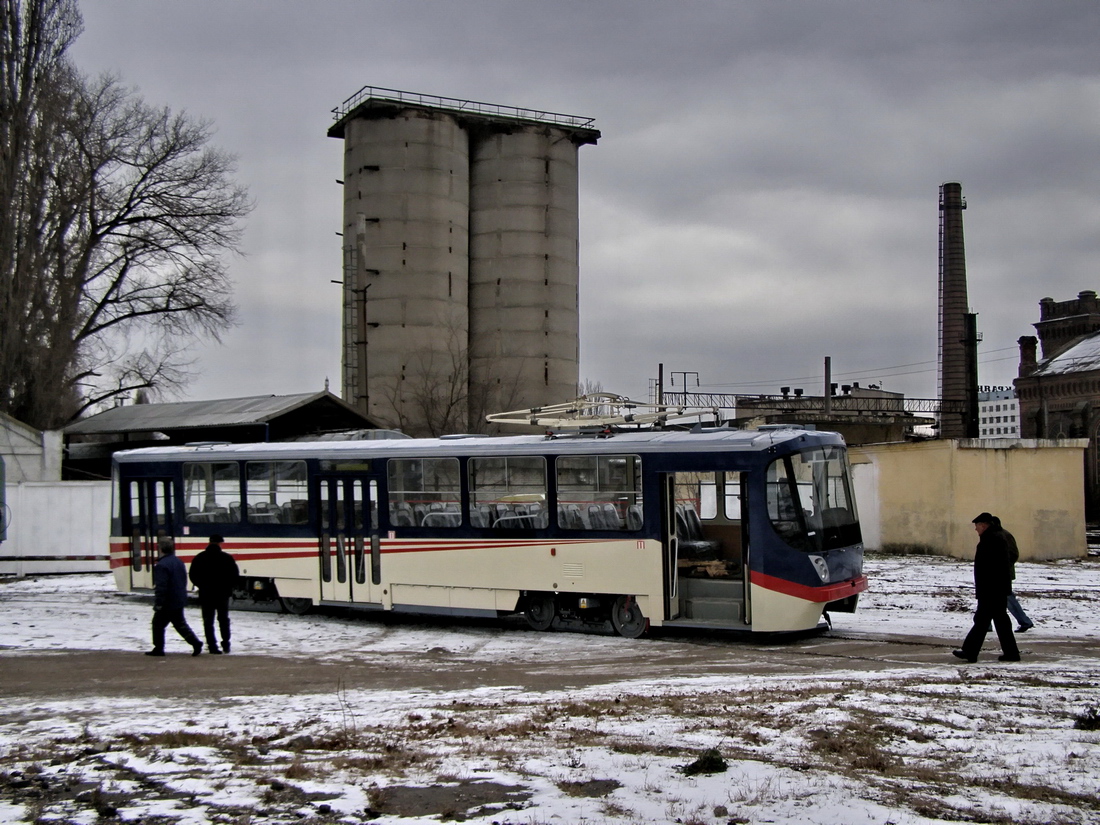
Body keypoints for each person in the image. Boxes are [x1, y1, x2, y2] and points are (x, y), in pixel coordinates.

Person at [953, 513, 1021, 663]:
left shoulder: (992, 539)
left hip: (992, 589)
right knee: (997, 621)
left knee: (984, 620)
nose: (975, 529)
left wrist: (987, 589)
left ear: (983, 525)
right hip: (996, 588)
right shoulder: (994, 537)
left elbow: (993, 567)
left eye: (976, 526)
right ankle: (1011, 653)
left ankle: (970, 651)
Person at [147, 531, 203, 657]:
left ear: (160, 549)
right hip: (178, 598)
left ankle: (159, 648)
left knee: (158, 624)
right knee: (179, 623)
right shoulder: (178, 562)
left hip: (168, 600)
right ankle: (195, 642)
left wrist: (159, 602)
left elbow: (161, 586)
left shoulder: (161, 565)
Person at [188, 534, 240, 654]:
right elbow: (234, 576)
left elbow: (193, 575)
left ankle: (212, 646)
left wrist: (202, 585)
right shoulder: (227, 558)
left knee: (208, 621)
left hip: (206, 593)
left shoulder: (200, 557)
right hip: (222, 593)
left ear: (209, 542)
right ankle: (226, 644)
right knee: (223, 619)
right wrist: (228, 587)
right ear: (220, 543)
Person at [993, 515, 1034, 632]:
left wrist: (1002, 567)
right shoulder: (997, 535)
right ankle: (985, 624)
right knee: (992, 599)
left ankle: (1025, 621)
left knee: (1007, 598)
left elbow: (1013, 554)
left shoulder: (1004, 536)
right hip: (998, 573)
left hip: (1002, 574)